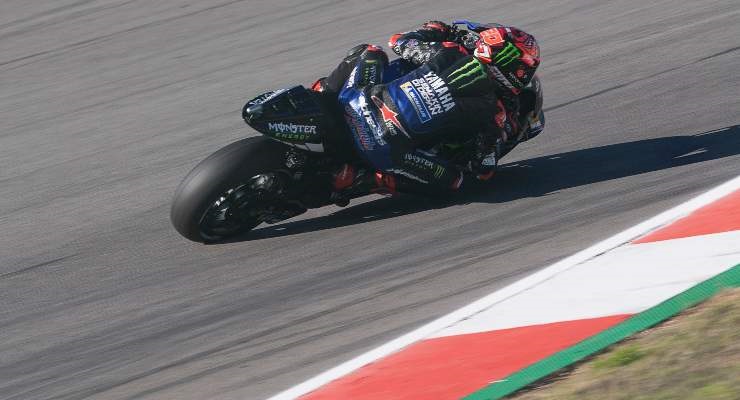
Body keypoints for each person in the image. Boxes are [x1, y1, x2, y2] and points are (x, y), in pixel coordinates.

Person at [314, 20, 541, 203]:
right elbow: (483, 170)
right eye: (524, 72)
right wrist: (495, 140)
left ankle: (321, 95)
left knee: (371, 52)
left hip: (355, 101)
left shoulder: (449, 52)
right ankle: (370, 179)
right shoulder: (495, 113)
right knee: (455, 181)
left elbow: (399, 42)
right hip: (385, 149)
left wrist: (432, 31)